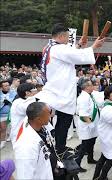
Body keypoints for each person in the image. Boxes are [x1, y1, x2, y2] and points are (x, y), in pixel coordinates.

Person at [35, 23, 105, 153]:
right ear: (61, 36)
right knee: (64, 121)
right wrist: (94, 46)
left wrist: (78, 45)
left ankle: (58, 146)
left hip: (54, 88)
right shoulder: (59, 49)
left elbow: (70, 54)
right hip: (62, 91)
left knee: (57, 121)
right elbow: (77, 56)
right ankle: (59, 149)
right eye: (67, 37)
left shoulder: (49, 47)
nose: (68, 39)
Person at [14, 102, 54, 179]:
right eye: (48, 114)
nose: (50, 116)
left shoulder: (41, 127)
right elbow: (25, 176)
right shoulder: (25, 146)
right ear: (38, 119)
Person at [74, 79, 99, 172]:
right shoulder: (83, 98)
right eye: (91, 85)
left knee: (92, 142)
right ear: (87, 87)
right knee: (85, 145)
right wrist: (90, 124)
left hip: (91, 124)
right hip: (87, 125)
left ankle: (90, 158)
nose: (93, 86)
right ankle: (77, 163)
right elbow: (83, 114)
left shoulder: (89, 95)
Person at [0, 80, 16, 149]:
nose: (8, 87)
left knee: (12, 129)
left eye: (8, 85)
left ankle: (13, 141)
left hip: (11, 114)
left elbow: (15, 102)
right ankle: (2, 142)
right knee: (2, 129)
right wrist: (3, 102)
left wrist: (9, 101)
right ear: (1, 87)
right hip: (2, 114)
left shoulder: (13, 92)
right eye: (5, 86)